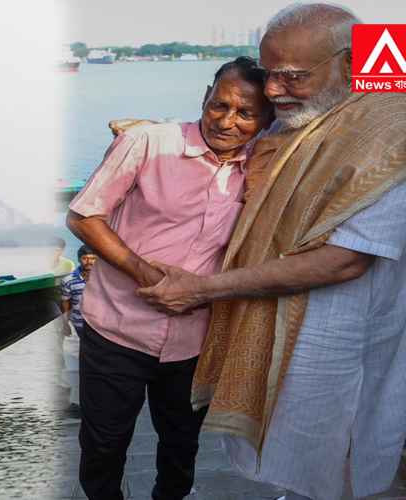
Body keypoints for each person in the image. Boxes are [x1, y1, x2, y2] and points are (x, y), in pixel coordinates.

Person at [138, 4, 406, 500]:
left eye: (293, 77)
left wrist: (203, 289)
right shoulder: (311, 112)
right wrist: (155, 134)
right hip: (278, 322)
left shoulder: (390, 137)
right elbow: (240, 137)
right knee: (296, 452)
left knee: (338, 444)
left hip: (342, 333)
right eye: (268, 74)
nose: (274, 90)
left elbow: (346, 260)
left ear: (349, 63)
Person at [66, 56, 274, 500]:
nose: (227, 121)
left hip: (195, 341)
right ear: (205, 96)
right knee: (103, 445)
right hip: (117, 330)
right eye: (219, 105)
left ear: (267, 120)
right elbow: (83, 216)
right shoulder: (146, 143)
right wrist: (148, 275)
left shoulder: (266, 162)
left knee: (181, 443)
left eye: (246, 113)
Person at [61, 245, 97, 336]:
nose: (89, 262)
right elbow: (66, 302)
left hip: (100, 324)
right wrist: (65, 323)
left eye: (93, 259)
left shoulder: (104, 278)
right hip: (79, 323)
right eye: (85, 258)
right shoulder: (68, 279)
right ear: (79, 259)